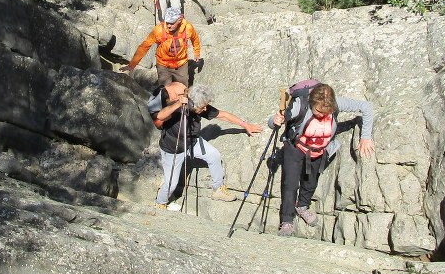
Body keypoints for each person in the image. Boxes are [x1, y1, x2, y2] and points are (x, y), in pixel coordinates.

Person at [267, 82, 375, 237]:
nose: (322, 115)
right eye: (318, 111)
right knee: (290, 184)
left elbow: (367, 107)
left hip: (318, 151)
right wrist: (275, 120)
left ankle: (302, 207)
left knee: (311, 181)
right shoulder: (300, 105)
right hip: (295, 147)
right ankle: (287, 221)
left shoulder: (335, 103)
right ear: (311, 102)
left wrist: (366, 137)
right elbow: (274, 122)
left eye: (327, 112)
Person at [149, 82, 262, 207]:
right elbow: (160, 116)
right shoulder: (178, 107)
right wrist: (178, 104)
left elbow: (223, 115)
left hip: (192, 142)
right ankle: (160, 203)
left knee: (214, 155)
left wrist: (245, 125)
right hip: (172, 149)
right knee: (171, 184)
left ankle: (218, 189)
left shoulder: (201, 107)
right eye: (202, 107)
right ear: (193, 104)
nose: (205, 109)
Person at [120, 7, 202, 86]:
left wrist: (197, 53)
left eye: (172, 23)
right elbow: (144, 46)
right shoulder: (159, 30)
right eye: (167, 22)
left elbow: (195, 39)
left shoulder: (188, 28)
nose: (169, 26)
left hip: (181, 64)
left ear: (180, 20)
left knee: (182, 92)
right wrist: (132, 65)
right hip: (163, 65)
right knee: (165, 93)